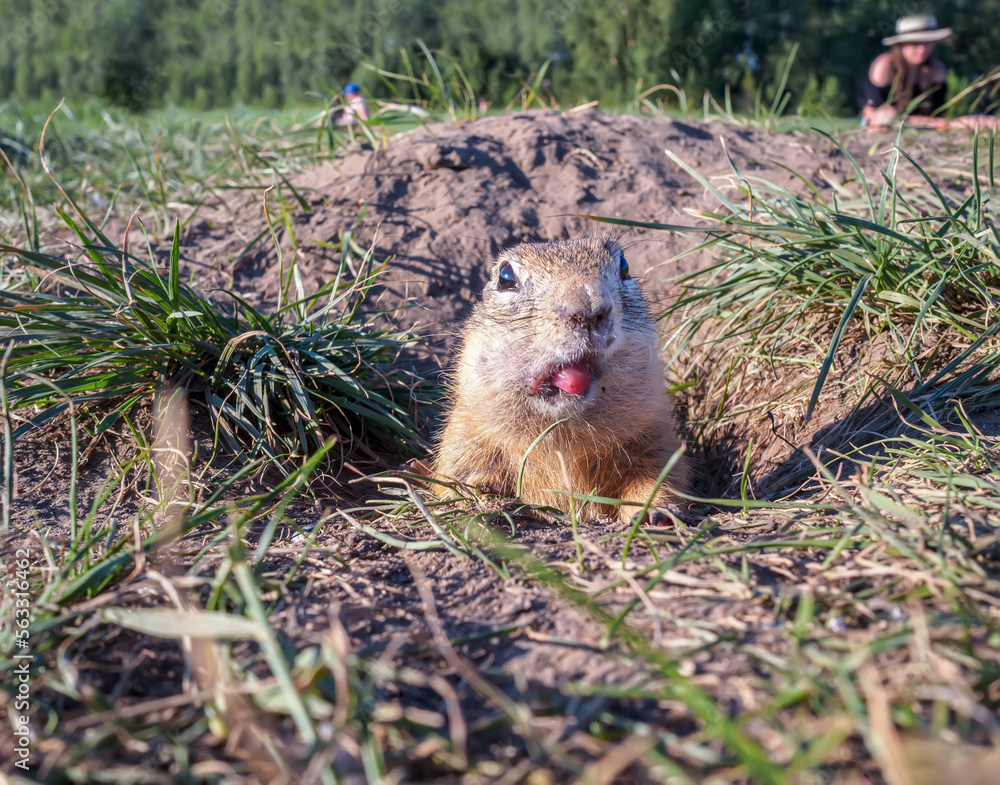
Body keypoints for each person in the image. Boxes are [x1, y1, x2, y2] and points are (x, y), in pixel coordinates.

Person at [860, 13, 998, 132]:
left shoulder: (937, 71)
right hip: (883, 128)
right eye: (915, 43)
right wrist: (954, 124)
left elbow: (936, 115)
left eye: (927, 43)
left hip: (922, 128)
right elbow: (873, 113)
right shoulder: (885, 65)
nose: (922, 49)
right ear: (901, 44)